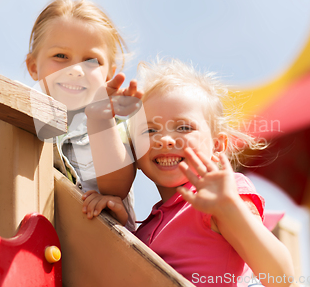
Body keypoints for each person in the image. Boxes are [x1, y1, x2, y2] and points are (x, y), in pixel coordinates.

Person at [82, 59, 294, 286]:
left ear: (217, 146)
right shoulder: (147, 229)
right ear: (135, 152)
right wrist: (120, 225)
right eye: (150, 130)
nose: (164, 139)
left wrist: (231, 209)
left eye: (183, 127)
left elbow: (281, 277)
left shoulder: (219, 195)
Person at [25, 0, 140, 231]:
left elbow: (116, 188)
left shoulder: (112, 117)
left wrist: (101, 119)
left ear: (109, 74)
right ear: (34, 67)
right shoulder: (22, 118)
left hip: (100, 245)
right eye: (60, 56)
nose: (76, 70)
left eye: (91, 60)